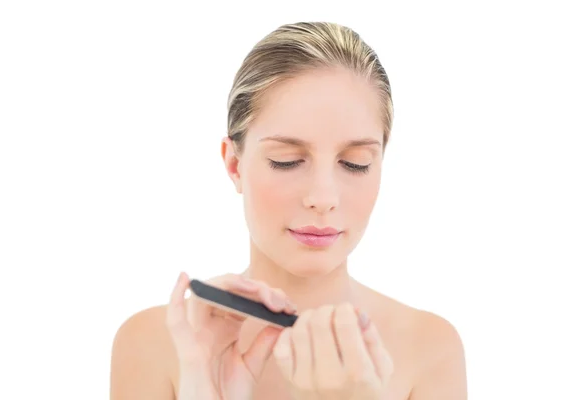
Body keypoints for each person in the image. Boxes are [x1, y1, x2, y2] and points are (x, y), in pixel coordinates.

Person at [110, 21, 467, 400]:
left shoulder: (429, 349)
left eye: (356, 163)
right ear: (234, 164)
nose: (323, 196)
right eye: (287, 160)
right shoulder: (156, 345)